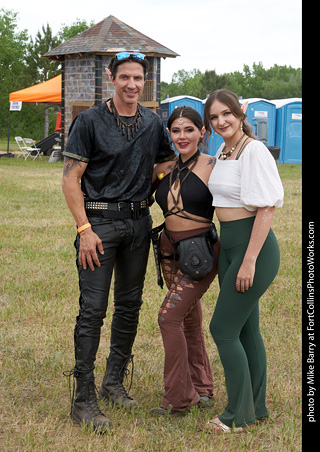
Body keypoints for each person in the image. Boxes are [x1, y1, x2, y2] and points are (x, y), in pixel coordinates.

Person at [61, 51, 176, 432]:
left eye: (138, 79)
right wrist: (84, 230)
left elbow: (164, 163)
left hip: (138, 225)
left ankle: (113, 382)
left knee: (129, 306)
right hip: (99, 226)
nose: (131, 85)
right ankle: (83, 398)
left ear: (146, 82)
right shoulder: (89, 121)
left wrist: (151, 185)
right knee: (92, 310)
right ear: (111, 77)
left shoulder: (153, 123)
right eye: (124, 77)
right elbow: (70, 178)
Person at [201, 89, 284, 433]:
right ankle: (257, 405)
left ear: (240, 114)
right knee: (247, 329)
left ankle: (236, 414)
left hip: (255, 248)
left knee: (222, 329)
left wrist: (248, 261)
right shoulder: (223, 150)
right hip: (230, 245)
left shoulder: (254, 150)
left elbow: (266, 207)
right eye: (214, 117)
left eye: (226, 114)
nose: (221, 121)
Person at [150, 106, 220, 415]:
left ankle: (178, 398)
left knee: (169, 316)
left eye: (189, 129)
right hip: (169, 250)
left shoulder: (214, 166)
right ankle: (202, 387)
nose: (182, 136)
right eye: (176, 130)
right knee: (188, 318)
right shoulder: (164, 166)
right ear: (170, 133)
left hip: (201, 254)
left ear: (202, 132)